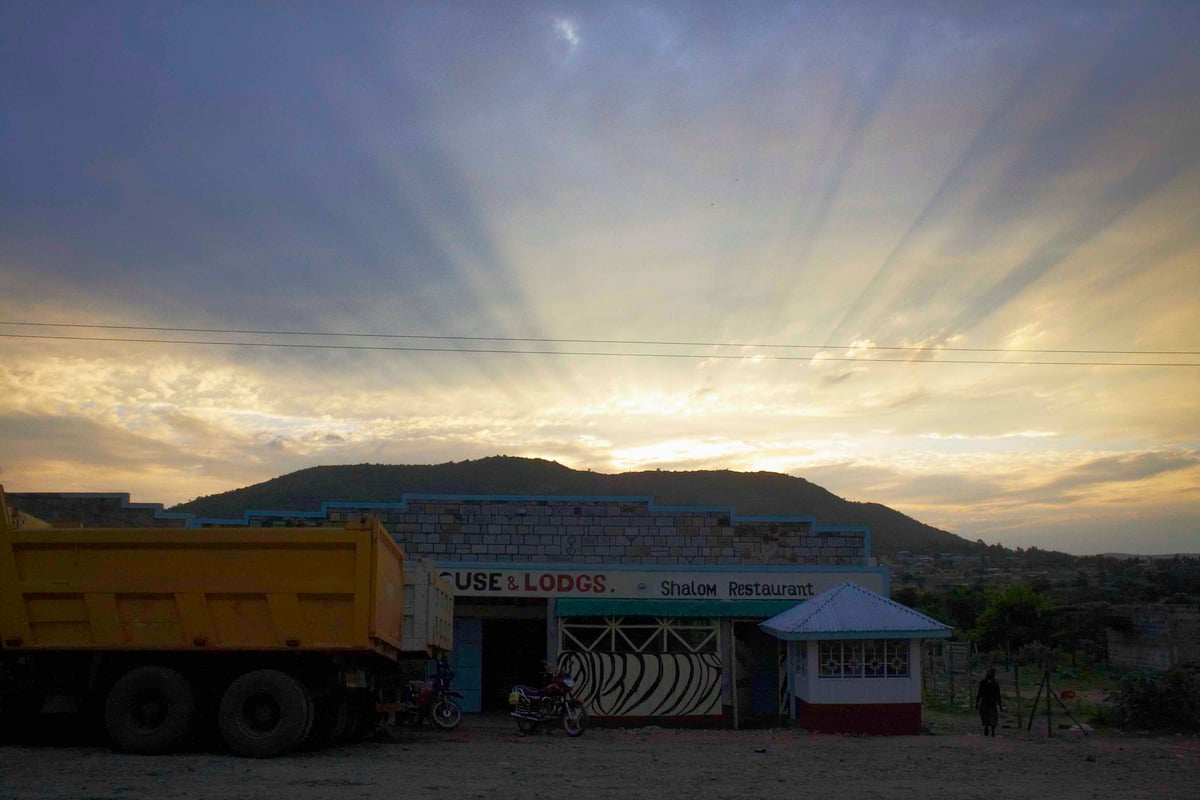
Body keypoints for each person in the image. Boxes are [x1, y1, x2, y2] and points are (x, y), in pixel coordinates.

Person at [974, 667, 1004, 737]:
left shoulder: (995, 684)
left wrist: (1000, 705)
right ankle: (987, 727)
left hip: (991, 703)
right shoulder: (984, 683)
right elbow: (979, 693)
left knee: (993, 717)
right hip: (985, 702)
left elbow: (998, 695)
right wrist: (977, 703)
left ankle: (992, 730)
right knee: (986, 716)